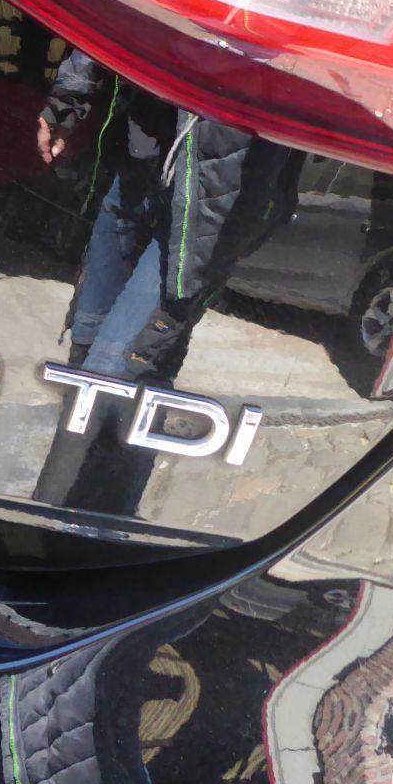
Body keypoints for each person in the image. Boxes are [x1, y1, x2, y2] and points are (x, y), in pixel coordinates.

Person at [33, 50, 302, 514]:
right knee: (86, 351)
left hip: (211, 202)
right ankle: (59, 520)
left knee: (118, 368)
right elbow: (120, 11)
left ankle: (77, 532)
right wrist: (68, 100)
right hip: (134, 174)